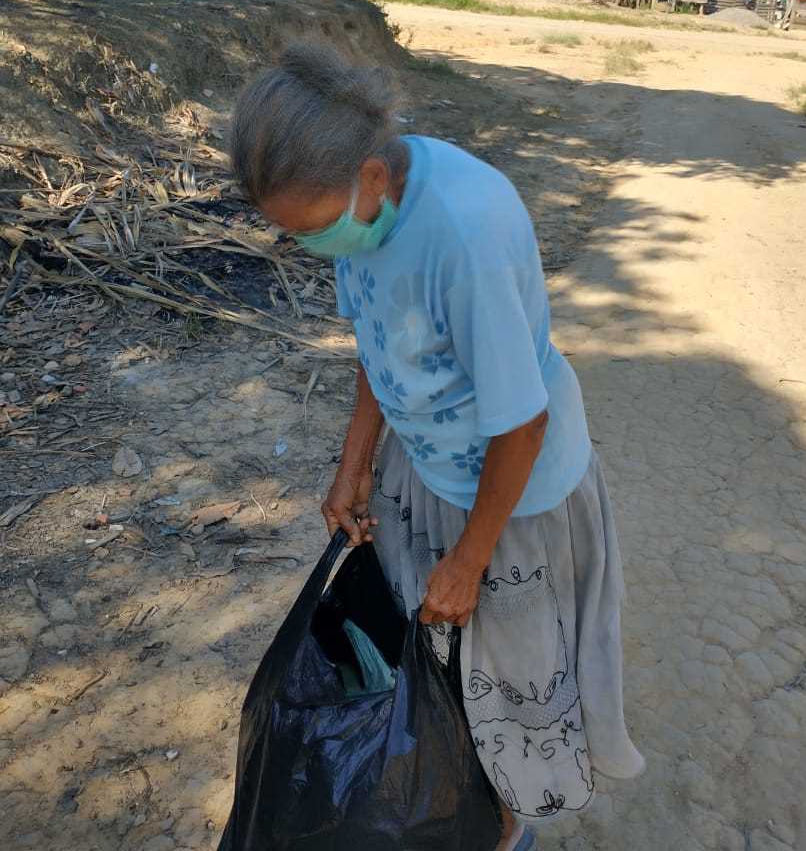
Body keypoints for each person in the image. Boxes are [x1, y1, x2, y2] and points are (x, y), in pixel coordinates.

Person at [231, 45, 644, 851]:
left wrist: (471, 558)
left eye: (309, 231)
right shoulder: (360, 214)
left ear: (373, 181)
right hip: (423, 471)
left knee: (507, 689)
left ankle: (507, 834)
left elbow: (521, 424)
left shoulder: (464, 231)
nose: (308, 248)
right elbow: (375, 343)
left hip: (511, 495)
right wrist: (353, 467)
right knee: (431, 674)